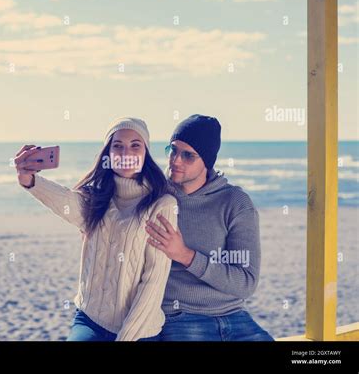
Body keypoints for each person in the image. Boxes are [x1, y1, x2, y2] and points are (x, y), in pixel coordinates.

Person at [15, 117, 177, 341]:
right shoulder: (97, 199)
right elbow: (65, 202)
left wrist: (125, 337)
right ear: (108, 154)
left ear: (145, 153)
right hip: (90, 320)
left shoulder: (163, 205)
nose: (125, 153)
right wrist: (29, 180)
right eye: (117, 146)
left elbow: (153, 281)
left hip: (139, 331)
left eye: (135, 146)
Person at [145, 114, 274, 341]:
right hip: (181, 316)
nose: (175, 160)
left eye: (188, 156)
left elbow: (246, 282)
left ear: (207, 161)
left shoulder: (235, 202)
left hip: (234, 316)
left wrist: (186, 256)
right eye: (173, 150)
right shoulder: (156, 196)